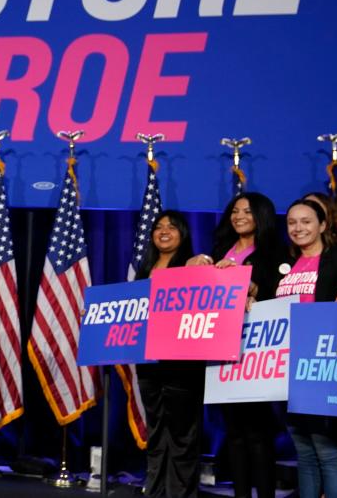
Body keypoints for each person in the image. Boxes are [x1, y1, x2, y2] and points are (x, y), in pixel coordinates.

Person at [187, 192, 283, 498]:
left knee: (258, 433)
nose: (239, 216)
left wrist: (252, 286)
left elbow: (276, 293)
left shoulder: (272, 252)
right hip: (222, 349)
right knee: (235, 433)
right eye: (235, 210)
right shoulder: (219, 251)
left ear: (261, 216)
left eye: (247, 211)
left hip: (256, 350)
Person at [278, 199, 337, 498]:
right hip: (286, 366)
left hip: (323, 364)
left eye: (306, 221)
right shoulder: (284, 265)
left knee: (327, 449)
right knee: (303, 449)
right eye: (292, 222)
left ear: (323, 225)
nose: (298, 228)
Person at [134, 211, 202, 498]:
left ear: (183, 233)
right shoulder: (144, 268)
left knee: (182, 436)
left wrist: (198, 268)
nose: (164, 231)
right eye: (158, 227)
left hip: (182, 364)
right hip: (149, 364)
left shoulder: (193, 265)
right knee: (157, 433)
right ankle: (155, 490)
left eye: (171, 227)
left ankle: (181, 493)